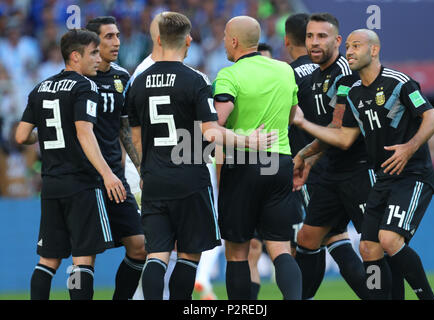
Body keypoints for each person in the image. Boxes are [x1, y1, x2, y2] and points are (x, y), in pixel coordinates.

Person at [127, 12, 275, 300]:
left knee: (156, 254)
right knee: (188, 255)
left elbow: (135, 138)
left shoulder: (139, 81)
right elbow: (210, 133)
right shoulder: (196, 80)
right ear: (189, 40)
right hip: (189, 179)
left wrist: (146, 170)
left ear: (158, 39)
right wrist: (249, 140)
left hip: (154, 179)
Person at [294, 28, 434, 300]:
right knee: (368, 249)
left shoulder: (399, 82)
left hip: (412, 175)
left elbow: (432, 119)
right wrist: (305, 154)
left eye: (356, 46)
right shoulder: (354, 93)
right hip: (382, 178)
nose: (349, 51)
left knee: (388, 239)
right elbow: (344, 136)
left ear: (374, 50)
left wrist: (408, 149)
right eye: (348, 46)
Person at [15, 29, 126, 300]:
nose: (98, 58)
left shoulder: (40, 88)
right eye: (93, 53)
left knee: (48, 261)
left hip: (51, 185)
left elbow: (20, 136)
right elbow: (85, 133)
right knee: (82, 261)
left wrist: (51, 133)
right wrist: (108, 173)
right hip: (81, 184)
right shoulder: (84, 86)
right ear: (75, 57)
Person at [214, 15, 302, 300]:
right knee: (280, 246)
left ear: (235, 41)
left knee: (238, 250)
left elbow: (217, 121)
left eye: (226, 37)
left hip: (243, 163)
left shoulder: (229, 75)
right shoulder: (284, 70)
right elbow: (292, 115)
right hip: (279, 162)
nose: (224, 42)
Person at [291, 13, 375, 300]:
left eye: (322, 37)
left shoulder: (346, 71)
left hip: (359, 169)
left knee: (376, 245)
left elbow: (339, 128)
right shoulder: (315, 77)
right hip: (330, 171)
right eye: (310, 37)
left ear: (338, 41)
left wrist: (304, 153)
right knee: (309, 238)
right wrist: (309, 159)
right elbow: (329, 132)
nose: (314, 43)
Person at [85, 16, 147, 300]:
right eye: (109, 36)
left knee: (140, 247)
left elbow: (125, 129)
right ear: (93, 42)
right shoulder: (80, 79)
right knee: (85, 256)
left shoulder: (123, 77)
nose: (117, 42)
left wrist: (141, 168)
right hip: (84, 181)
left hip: (115, 179)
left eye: (118, 35)